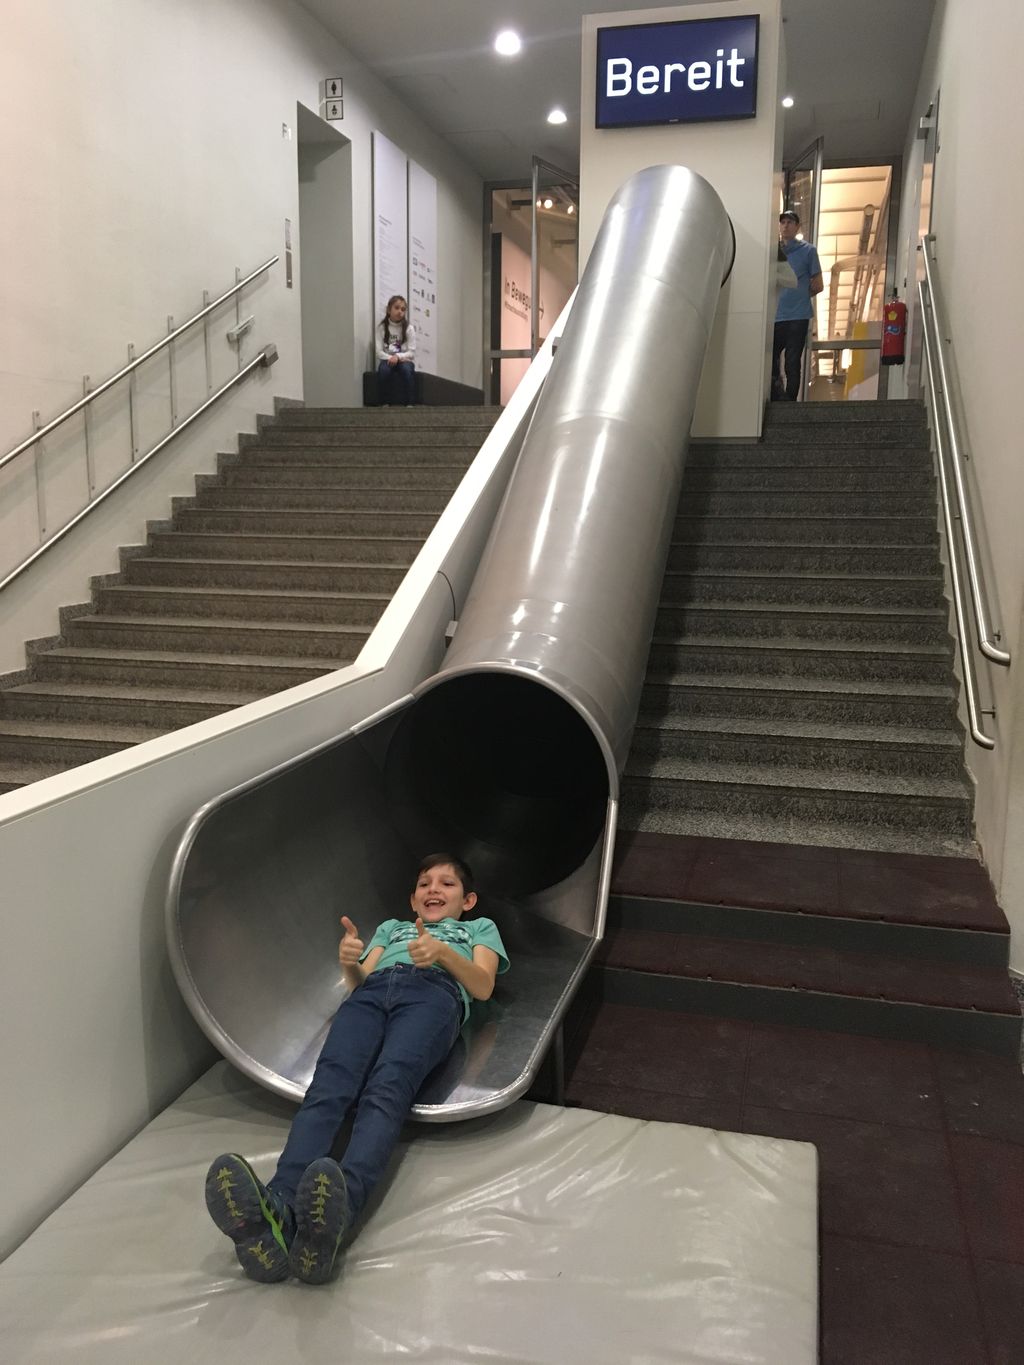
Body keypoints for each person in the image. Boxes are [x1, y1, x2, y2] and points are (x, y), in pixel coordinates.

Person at [204, 853, 509, 1286]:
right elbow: (358, 980)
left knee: (386, 1089)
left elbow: (482, 986)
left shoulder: (479, 929)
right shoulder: (391, 927)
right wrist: (349, 960)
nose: (433, 890)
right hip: (369, 997)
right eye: (424, 883)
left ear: (468, 900)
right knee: (328, 1089)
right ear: (413, 899)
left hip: (434, 995)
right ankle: (277, 1211)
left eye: (447, 883)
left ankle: (338, 1213)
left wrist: (442, 953)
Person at [772, 209, 823, 401]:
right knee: (772, 357)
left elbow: (818, 285)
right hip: (776, 315)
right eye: (783, 222)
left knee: (792, 360)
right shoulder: (774, 251)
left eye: (790, 222)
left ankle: (789, 401)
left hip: (797, 316)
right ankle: (777, 394)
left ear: (797, 227)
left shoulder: (808, 251)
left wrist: (800, 294)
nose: (785, 226)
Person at [375, 294, 417, 405]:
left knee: (407, 370)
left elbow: (411, 352)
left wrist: (398, 357)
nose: (400, 312)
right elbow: (378, 352)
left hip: (404, 360)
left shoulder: (409, 328)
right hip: (387, 359)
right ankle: (384, 403)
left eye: (403, 309)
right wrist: (391, 358)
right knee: (383, 371)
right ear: (389, 310)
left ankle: (410, 404)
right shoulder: (381, 328)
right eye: (397, 308)